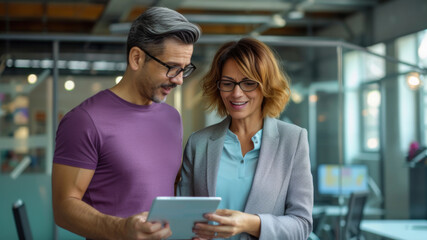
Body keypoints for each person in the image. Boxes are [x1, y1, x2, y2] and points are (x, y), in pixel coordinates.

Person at [51, 7, 201, 240]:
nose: (179, 80)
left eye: (184, 69)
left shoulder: (172, 118)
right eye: (171, 68)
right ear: (137, 58)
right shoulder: (84, 121)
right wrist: (121, 229)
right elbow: (63, 209)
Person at [177, 38, 313, 240]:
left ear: (266, 86)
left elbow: (302, 225)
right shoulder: (199, 143)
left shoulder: (293, 140)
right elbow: (182, 219)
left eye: (248, 83)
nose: (236, 93)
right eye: (228, 83)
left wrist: (249, 223)